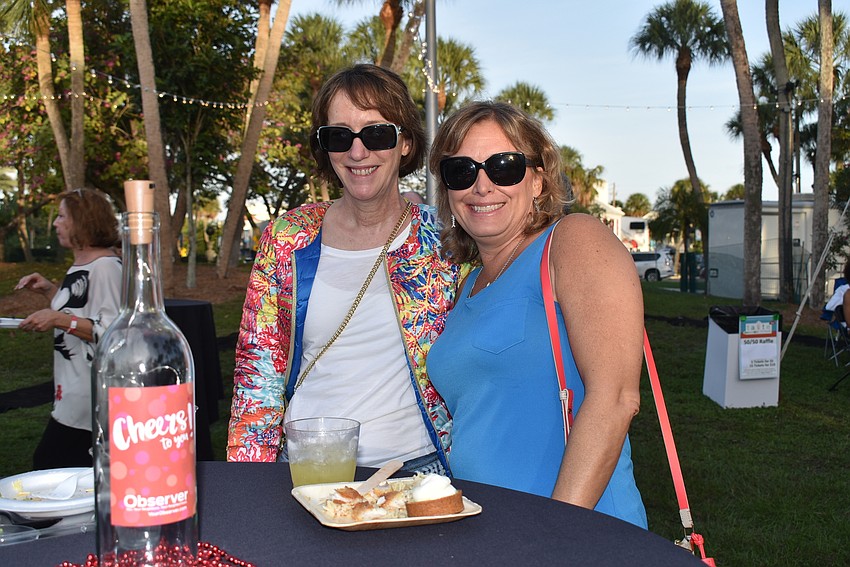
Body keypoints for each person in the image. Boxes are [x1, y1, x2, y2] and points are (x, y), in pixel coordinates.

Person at [227, 64, 464, 474]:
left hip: (418, 473)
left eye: (376, 134)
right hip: (308, 469)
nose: (358, 152)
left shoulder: (444, 241)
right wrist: (250, 485)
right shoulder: (289, 238)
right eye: (340, 136)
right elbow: (258, 371)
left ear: (405, 143)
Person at [426, 101, 648, 527]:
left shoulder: (572, 241)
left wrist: (552, 537)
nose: (482, 185)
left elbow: (616, 398)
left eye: (503, 166)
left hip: (575, 536)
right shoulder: (466, 284)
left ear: (538, 181)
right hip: (487, 533)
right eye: (462, 171)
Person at [16, 188, 122, 469]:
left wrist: (58, 319)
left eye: (62, 216)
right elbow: (81, 311)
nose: (55, 223)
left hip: (90, 397)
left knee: (50, 462)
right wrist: (50, 290)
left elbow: (114, 334)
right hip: (71, 390)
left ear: (82, 222)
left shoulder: (106, 268)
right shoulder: (83, 264)